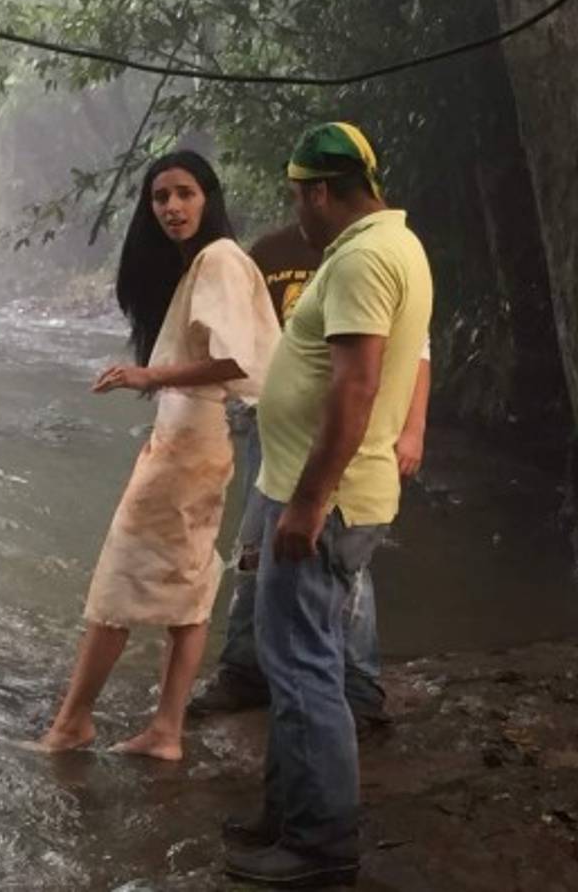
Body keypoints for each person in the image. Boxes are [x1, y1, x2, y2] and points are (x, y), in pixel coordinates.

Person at [223, 123, 432, 887]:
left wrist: (307, 504)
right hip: (323, 491)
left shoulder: (364, 258)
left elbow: (355, 387)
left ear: (317, 191)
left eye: (297, 198)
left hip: (327, 501)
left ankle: (318, 846)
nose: (296, 216)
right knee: (291, 662)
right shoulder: (391, 244)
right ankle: (283, 815)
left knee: (307, 669)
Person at [36, 151, 280, 762]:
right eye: (160, 197)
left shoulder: (220, 257)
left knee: (116, 581)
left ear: (209, 198)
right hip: (196, 439)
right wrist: (157, 382)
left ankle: (72, 724)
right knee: (190, 583)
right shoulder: (204, 262)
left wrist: (151, 373)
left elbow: (239, 362)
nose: (171, 207)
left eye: (185, 194)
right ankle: (166, 731)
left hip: (190, 443)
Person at [188, 222, 431, 732]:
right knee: (255, 547)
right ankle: (246, 668)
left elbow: (415, 351)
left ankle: (358, 687)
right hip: (267, 426)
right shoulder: (269, 253)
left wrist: (413, 428)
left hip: (344, 433)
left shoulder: (368, 257)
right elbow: (242, 332)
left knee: (339, 555)